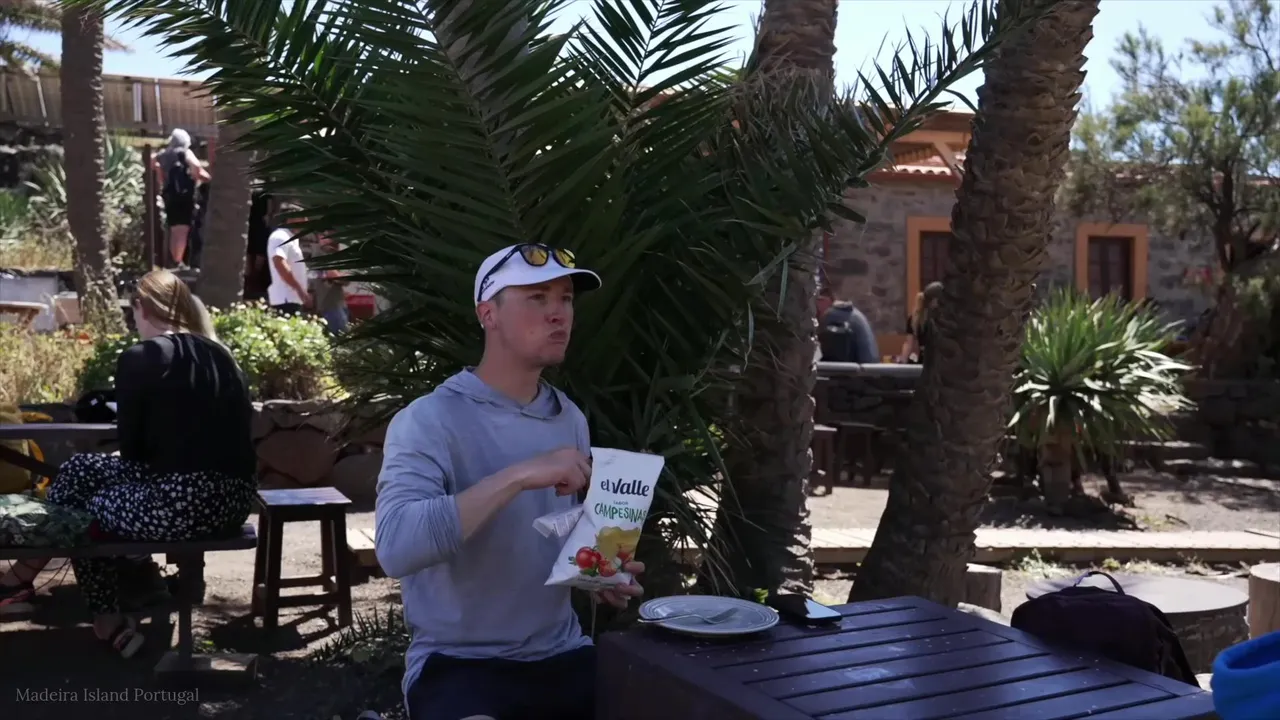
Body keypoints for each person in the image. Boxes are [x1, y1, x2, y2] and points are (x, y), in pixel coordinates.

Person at [375, 243, 645, 720]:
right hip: (459, 665)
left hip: (562, 653)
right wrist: (520, 475)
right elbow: (396, 549)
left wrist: (596, 575)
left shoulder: (570, 419)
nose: (558, 313)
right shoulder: (427, 420)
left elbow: (549, 532)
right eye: (537, 298)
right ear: (489, 314)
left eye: (565, 299)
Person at [0, 270, 256, 657]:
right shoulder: (221, 355)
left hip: (182, 508)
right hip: (232, 503)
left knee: (86, 509)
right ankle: (54, 587)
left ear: (142, 307)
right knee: (80, 471)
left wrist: (123, 461)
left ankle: (88, 607)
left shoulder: (142, 357)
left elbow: (135, 452)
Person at [153, 129, 211, 268]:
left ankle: (174, 261)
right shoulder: (185, 152)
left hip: (169, 196)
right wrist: (204, 179)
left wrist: (160, 175)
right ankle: (178, 262)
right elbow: (197, 168)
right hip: (184, 197)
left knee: (175, 230)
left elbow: (152, 160)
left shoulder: (164, 154)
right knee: (183, 231)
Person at [266, 203, 311, 315]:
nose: (306, 220)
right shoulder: (280, 236)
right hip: (285, 299)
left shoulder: (291, 238)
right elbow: (279, 263)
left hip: (293, 299)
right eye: (302, 217)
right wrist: (299, 289)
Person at [818, 287, 880, 364]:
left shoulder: (832, 316)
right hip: (870, 366)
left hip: (859, 368)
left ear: (823, 300)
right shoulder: (853, 313)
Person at [310, 234, 349, 334]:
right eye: (326, 236)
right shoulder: (319, 253)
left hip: (336, 301)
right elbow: (336, 276)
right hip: (330, 304)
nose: (330, 240)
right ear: (319, 236)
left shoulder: (329, 253)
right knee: (342, 336)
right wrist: (342, 277)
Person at [901, 281, 944, 364]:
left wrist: (903, 362)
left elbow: (909, 345)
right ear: (935, 300)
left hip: (924, 361)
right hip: (939, 361)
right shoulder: (940, 318)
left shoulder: (915, 318)